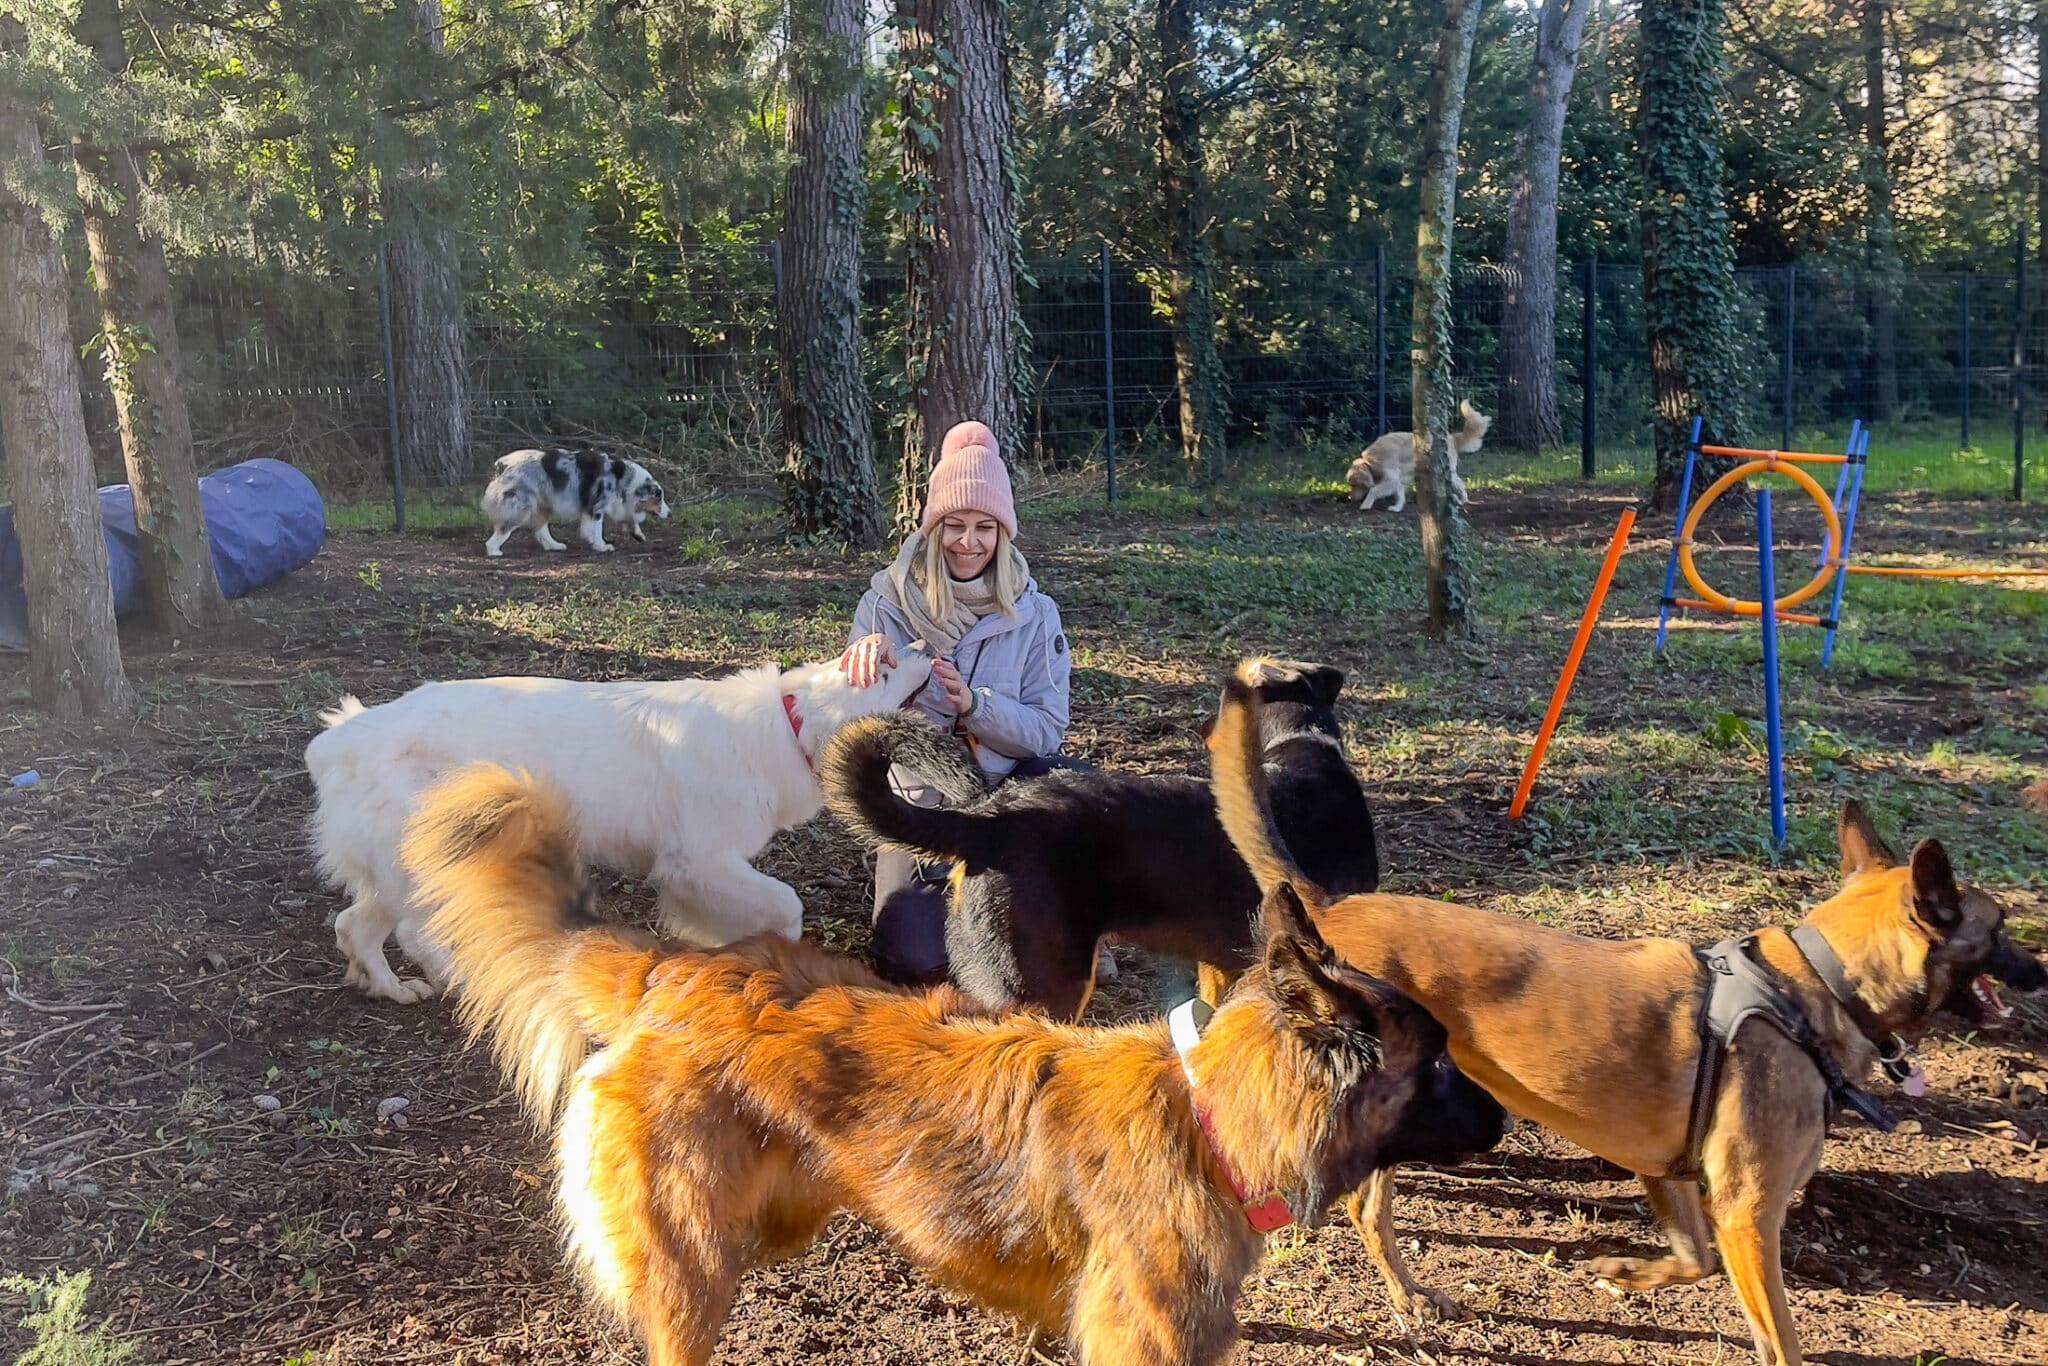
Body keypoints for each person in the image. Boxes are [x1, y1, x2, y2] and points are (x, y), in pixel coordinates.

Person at [841, 421, 1074, 985]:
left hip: (1006, 796)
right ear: (933, 528)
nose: (968, 542)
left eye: (984, 528)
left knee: (1078, 791)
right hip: (919, 805)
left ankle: (1067, 916)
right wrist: (865, 670)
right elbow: (851, 728)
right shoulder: (883, 605)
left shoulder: (1035, 613)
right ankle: (934, 899)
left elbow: (1047, 732)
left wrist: (975, 705)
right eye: (955, 526)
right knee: (911, 961)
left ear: (1002, 535)